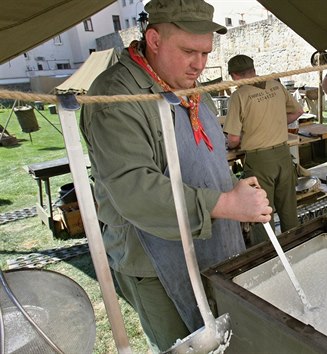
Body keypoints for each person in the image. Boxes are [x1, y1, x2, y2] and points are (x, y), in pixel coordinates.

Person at [79, 0, 272, 351]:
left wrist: (234, 188)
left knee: (228, 339)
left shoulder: (192, 91)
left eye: (205, 53)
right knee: (186, 345)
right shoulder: (115, 97)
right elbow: (133, 189)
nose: (199, 64)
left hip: (210, 243)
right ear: (153, 39)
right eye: (188, 51)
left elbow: (206, 158)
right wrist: (226, 202)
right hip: (153, 261)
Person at [223, 54, 303, 246]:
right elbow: (298, 111)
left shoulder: (239, 95)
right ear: (253, 69)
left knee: (261, 212)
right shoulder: (275, 85)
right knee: (289, 209)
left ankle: (266, 255)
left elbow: (233, 139)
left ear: (234, 76)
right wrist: (273, 125)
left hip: (260, 162)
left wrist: (235, 140)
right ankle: (295, 247)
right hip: (284, 155)